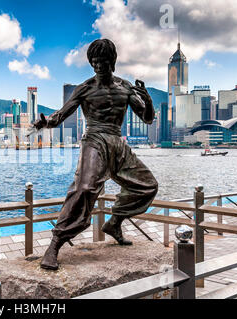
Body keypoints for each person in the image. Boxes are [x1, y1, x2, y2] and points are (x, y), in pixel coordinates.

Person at [31, 39, 158, 270]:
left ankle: (114, 223)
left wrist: (148, 100)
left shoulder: (126, 87)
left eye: (105, 62)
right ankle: (55, 244)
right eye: (96, 62)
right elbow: (59, 116)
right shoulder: (85, 88)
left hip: (117, 144)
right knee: (83, 189)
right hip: (94, 141)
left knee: (147, 185)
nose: (100, 67)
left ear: (113, 62)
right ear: (91, 63)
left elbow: (148, 119)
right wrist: (44, 123)